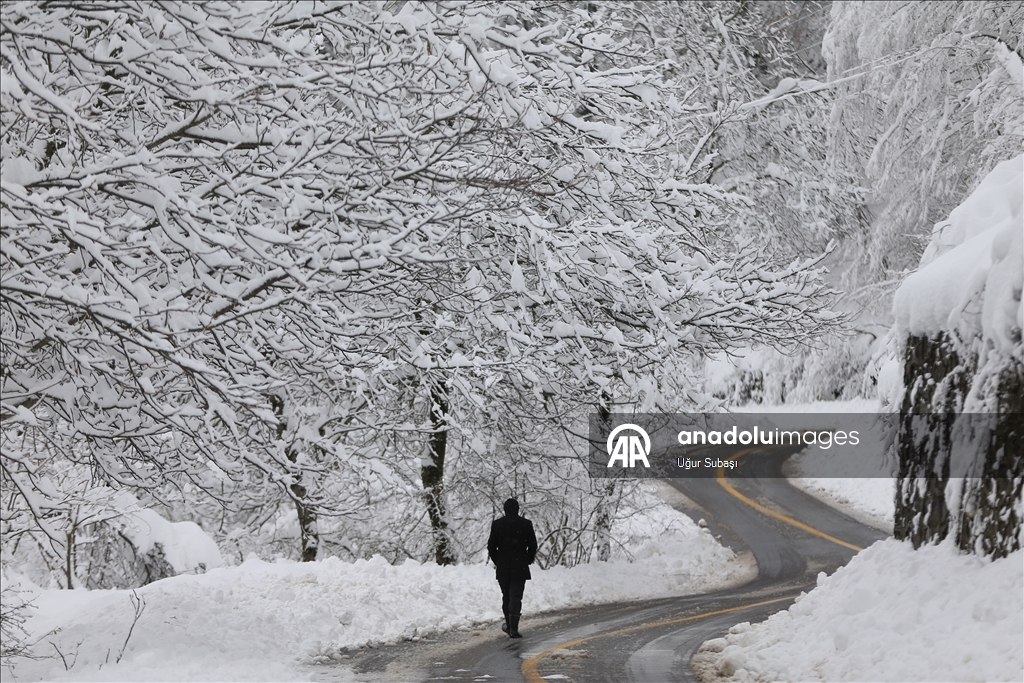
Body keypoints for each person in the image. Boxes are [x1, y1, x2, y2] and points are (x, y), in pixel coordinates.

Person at [487, 498, 538, 638]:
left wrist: (498, 560)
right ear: (517, 509)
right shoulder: (526, 524)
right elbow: (533, 545)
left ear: (505, 509)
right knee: (516, 597)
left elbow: (491, 546)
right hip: (520, 566)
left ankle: (509, 626)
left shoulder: (497, 524)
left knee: (506, 596)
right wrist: (527, 559)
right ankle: (514, 628)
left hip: (503, 567)